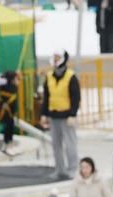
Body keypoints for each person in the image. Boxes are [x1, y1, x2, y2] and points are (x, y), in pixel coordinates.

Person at [38, 50, 80, 180]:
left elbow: (76, 97)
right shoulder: (49, 76)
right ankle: (59, 170)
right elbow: (47, 97)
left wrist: (73, 114)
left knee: (70, 144)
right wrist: (44, 114)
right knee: (56, 145)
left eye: (57, 57)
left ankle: (73, 169)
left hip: (67, 116)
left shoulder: (71, 76)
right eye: (54, 57)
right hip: (53, 116)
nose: (55, 60)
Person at [0, 71, 20, 152]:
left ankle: (7, 142)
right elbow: (14, 87)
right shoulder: (9, 87)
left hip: (7, 110)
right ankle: (7, 142)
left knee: (9, 125)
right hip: (6, 110)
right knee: (8, 126)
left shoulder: (4, 86)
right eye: (15, 79)